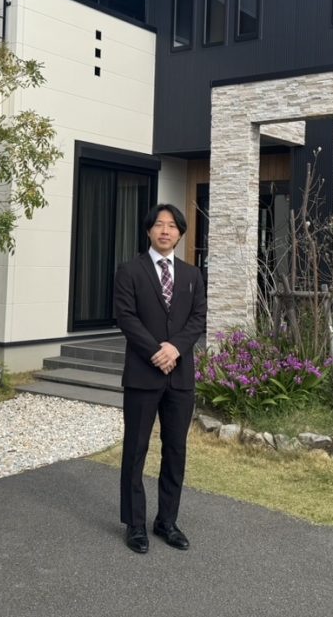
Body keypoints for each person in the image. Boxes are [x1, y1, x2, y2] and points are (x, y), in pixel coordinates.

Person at [113, 203, 206, 554]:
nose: (165, 231)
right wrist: (156, 351)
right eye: (159, 225)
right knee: (135, 450)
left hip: (180, 377)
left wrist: (175, 349)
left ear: (180, 233)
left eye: (172, 226)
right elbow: (125, 317)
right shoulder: (129, 271)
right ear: (149, 230)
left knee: (176, 450)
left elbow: (197, 319)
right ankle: (135, 524)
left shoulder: (192, 275)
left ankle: (167, 521)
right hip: (143, 373)